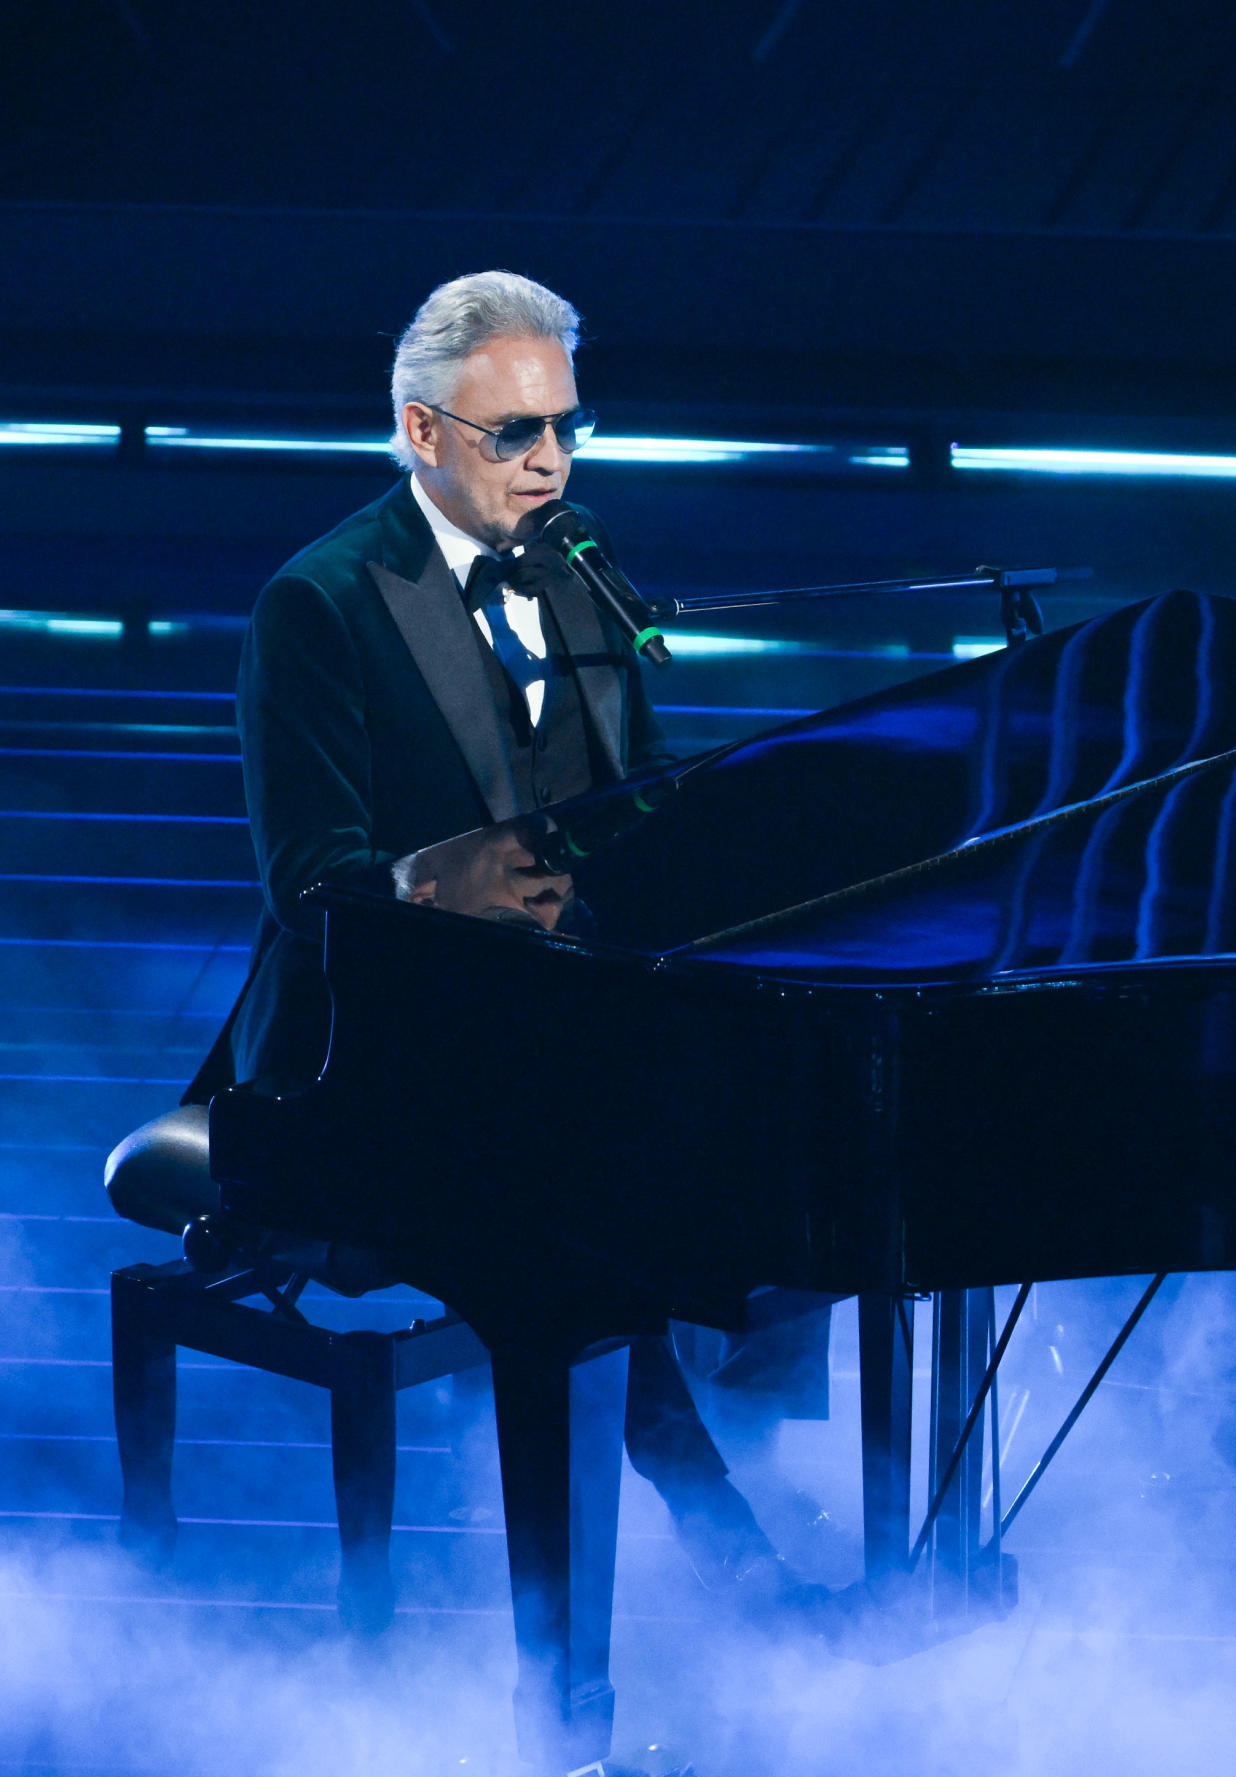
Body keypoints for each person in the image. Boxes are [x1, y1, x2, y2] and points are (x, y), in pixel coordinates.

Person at [185, 268, 818, 1621]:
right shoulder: (322, 606)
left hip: (553, 1013)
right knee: (571, 1206)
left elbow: (636, 801)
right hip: (360, 1047)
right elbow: (307, 886)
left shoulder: (581, 570)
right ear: (422, 433)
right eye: (515, 434)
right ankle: (690, 1587)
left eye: (568, 427)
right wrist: (436, 880)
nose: (552, 461)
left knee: (799, 1101)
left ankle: (751, 1485)